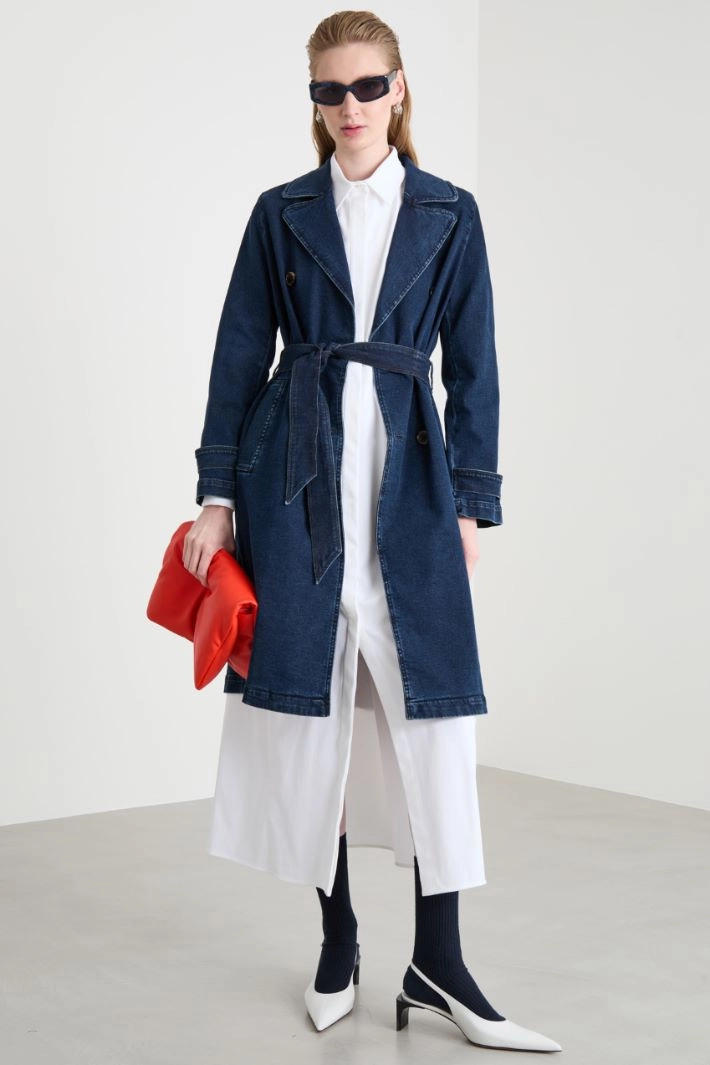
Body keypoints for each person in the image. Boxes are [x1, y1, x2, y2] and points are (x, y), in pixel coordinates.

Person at [182, 9, 561, 1054]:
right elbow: (238, 353)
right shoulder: (280, 213)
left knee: (433, 722)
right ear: (313, 101)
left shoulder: (448, 212)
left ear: (399, 90)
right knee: (317, 725)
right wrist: (215, 496)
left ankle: (439, 960)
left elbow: (474, 362)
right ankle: (338, 937)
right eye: (328, 90)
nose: (347, 107)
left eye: (365, 86)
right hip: (291, 484)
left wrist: (470, 501)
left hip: (408, 490)